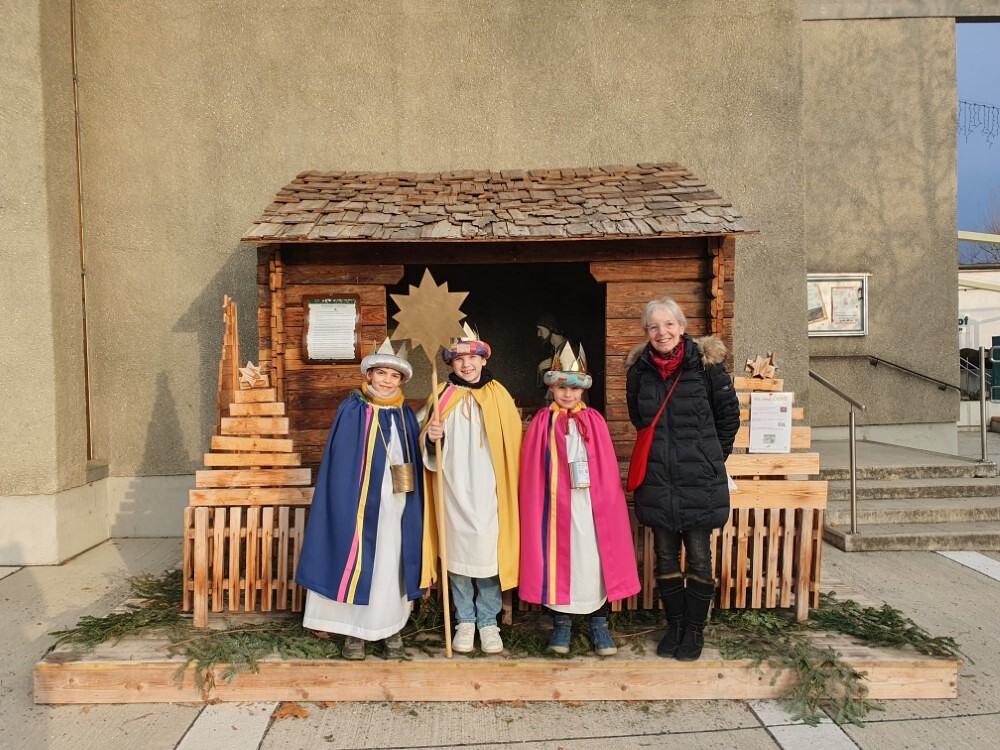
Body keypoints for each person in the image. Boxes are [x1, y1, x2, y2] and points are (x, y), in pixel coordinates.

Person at [295, 339, 425, 660]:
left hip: (396, 505)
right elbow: (341, 460)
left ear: (401, 381)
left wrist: (432, 439)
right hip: (357, 504)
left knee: (390, 563)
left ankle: (390, 627)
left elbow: (416, 457)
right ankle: (354, 632)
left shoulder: (406, 415)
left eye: (393, 376)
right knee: (356, 560)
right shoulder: (353, 409)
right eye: (381, 373)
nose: (386, 380)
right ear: (369, 375)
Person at [625, 298, 739, 661]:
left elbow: (729, 417)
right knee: (665, 555)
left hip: (698, 479)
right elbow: (639, 418)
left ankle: (694, 630)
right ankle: (674, 627)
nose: (662, 332)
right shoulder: (639, 370)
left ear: (682, 327)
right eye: (654, 326)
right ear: (647, 332)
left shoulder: (706, 366)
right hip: (658, 476)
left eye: (669, 324)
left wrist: (710, 458)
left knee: (699, 556)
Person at [520, 342, 640, 655]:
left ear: (582, 390)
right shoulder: (542, 423)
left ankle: (599, 623)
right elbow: (532, 470)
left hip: (591, 508)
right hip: (555, 510)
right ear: (552, 388)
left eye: (574, 388)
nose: (568, 394)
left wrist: (605, 502)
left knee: (595, 561)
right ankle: (561, 623)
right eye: (562, 387)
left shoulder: (595, 422)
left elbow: (606, 470)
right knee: (558, 560)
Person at [421, 324, 522, 654]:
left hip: (490, 488)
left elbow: (512, 444)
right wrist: (431, 438)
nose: (466, 365)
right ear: (450, 363)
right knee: (458, 555)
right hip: (453, 487)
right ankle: (464, 620)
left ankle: (488, 621)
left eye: (472, 358)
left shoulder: (499, 395)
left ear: (483, 359)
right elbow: (426, 447)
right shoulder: (440, 395)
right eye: (459, 359)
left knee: (489, 555)